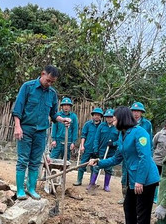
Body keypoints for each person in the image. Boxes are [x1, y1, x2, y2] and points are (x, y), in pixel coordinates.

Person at [88, 106, 159, 224]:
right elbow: (117, 158)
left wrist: (140, 180)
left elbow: (145, 158)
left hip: (145, 180)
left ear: (122, 119)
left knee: (143, 212)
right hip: (133, 179)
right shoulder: (122, 135)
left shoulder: (140, 133)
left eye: (114, 119)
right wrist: (99, 162)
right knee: (129, 207)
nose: (112, 121)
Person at [12, 65, 69, 200]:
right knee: (23, 160)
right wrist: (17, 126)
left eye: (52, 82)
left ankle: (31, 188)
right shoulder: (28, 87)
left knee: (36, 161)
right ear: (42, 74)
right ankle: (20, 190)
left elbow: (54, 114)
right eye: (48, 80)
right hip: (25, 129)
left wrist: (62, 119)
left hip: (41, 132)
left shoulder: (52, 94)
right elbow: (17, 108)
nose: (49, 84)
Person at [76, 107, 104, 187]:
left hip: (97, 149)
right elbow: (83, 136)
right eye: (95, 115)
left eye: (98, 115)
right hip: (87, 148)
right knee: (82, 165)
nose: (96, 116)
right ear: (93, 116)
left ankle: (92, 183)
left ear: (101, 116)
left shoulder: (102, 126)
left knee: (94, 167)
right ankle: (79, 180)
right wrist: (82, 146)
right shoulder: (87, 124)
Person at [94, 108, 119, 191]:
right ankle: (92, 183)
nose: (109, 118)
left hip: (111, 152)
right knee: (97, 166)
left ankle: (106, 185)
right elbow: (96, 138)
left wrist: (113, 144)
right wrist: (95, 149)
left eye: (110, 117)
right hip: (101, 150)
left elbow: (120, 140)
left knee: (108, 169)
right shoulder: (101, 126)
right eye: (107, 117)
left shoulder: (117, 127)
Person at [152, 123, 166, 203]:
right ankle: (154, 197)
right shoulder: (159, 134)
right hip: (157, 161)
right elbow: (153, 145)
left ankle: (162, 198)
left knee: (165, 181)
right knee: (155, 180)